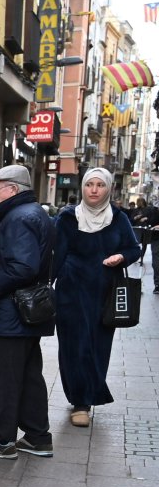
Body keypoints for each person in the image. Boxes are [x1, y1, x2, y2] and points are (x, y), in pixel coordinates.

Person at [0, 165, 57, 460]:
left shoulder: (19, 217)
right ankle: (36, 436)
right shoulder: (31, 213)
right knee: (29, 375)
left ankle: (2, 439)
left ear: (13, 190)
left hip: (12, 311)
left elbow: (22, 267)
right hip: (25, 310)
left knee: (4, 376)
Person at [54, 168, 141, 427]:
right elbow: (56, 255)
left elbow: (133, 248)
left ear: (108, 189)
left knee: (97, 347)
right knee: (73, 347)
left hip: (104, 294)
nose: (93, 190)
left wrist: (122, 257)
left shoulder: (118, 219)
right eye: (89, 184)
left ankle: (88, 397)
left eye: (99, 185)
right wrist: (45, 286)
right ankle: (80, 399)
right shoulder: (68, 218)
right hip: (70, 292)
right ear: (82, 187)